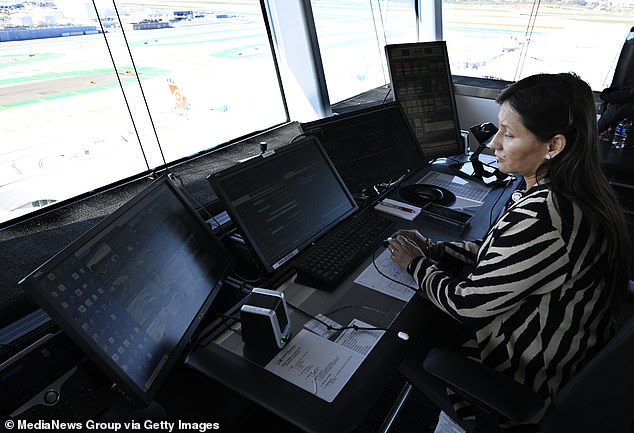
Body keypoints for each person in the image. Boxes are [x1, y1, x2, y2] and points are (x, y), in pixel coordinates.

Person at [388, 72, 632, 431]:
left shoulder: (545, 217)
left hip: (523, 379)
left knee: (394, 343)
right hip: (569, 350)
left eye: (510, 134)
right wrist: (436, 250)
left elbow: (467, 305)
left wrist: (416, 264)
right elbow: (501, 255)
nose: (493, 145)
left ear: (554, 145)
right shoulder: (576, 190)